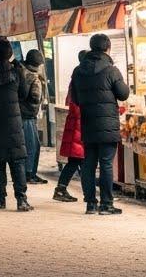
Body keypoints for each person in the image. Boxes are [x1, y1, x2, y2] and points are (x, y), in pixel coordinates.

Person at [71, 33, 129, 215]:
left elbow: (75, 98)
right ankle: (106, 204)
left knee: (88, 164)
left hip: (88, 123)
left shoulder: (78, 71)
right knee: (106, 164)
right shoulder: (112, 70)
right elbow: (123, 94)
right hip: (107, 125)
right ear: (107, 48)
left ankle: (90, 204)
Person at [0, 40, 32, 211]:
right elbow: (24, 93)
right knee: (17, 160)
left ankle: (0, 199)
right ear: (10, 54)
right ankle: (21, 200)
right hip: (13, 121)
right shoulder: (16, 72)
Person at [53, 52, 88, 203]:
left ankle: (62, 189)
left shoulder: (76, 77)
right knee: (80, 160)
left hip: (76, 124)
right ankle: (87, 194)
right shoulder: (82, 78)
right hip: (79, 125)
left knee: (77, 161)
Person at [20, 49, 49, 184]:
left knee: (32, 145)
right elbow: (35, 97)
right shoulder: (32, 76)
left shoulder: (22, 71)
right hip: (27, 115)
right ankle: (29, 174)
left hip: (25, 114)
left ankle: (30, 173)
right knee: (32, 145)